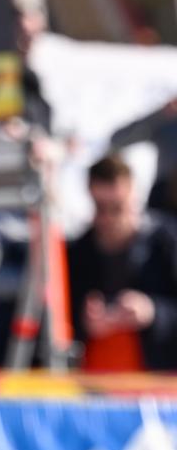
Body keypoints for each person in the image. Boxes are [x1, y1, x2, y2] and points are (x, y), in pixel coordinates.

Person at [67, 154, 177, 371]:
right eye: (100, 207)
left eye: (117, 207)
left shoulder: (166, 243)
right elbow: (57, 326)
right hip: (95, 383)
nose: (108, 218)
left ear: (134, 197)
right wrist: (85, 320)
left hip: (162, 386)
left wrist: (152, 312)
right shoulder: (79, 252)